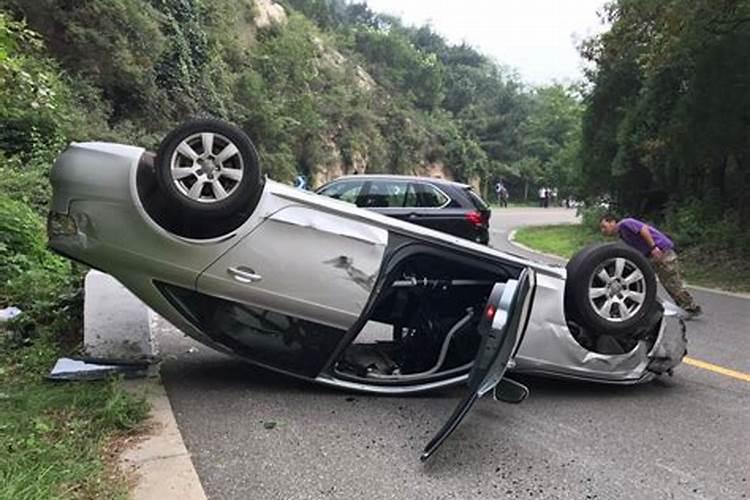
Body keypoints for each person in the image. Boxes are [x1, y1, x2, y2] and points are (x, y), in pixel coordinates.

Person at [599, 214, 702, 318]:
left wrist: (653, 247)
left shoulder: (626, 223)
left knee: (671, 282)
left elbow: (643, 229)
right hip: (649, 257)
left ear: (612, 222)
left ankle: (691, 307)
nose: (603, 231)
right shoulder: (622, 235)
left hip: (661, 252)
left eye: (604, 227)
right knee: (641, 281)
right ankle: (638, 309)